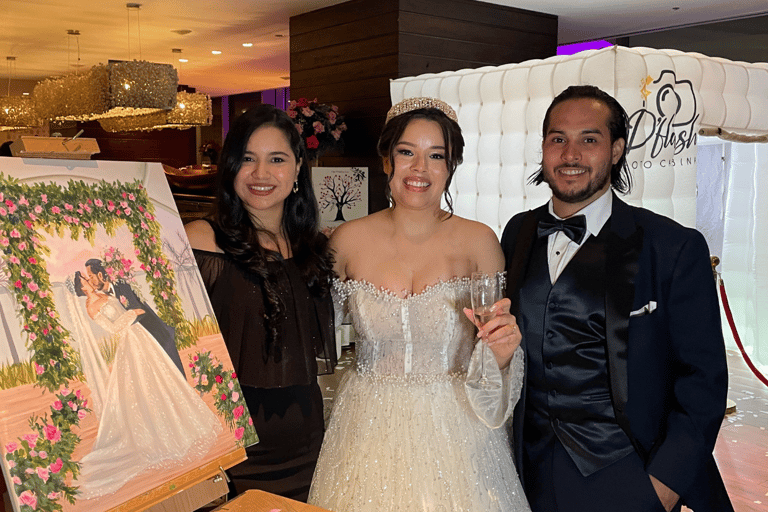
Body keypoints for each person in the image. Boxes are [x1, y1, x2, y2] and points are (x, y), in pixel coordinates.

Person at [500, 85, 733, 512]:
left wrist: (662, 487)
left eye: (589, 139)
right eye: (558, 139)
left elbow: (703, 381)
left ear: (616, 149)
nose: (570, 155)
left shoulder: (672, 246)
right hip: (525, 473)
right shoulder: (518, 233)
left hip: (626, 473)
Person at [307, 97, 530, 512]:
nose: (420, 169)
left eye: (436, 156)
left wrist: (500, 355)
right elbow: (314, 336)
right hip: (366, 424)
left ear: (451, 166)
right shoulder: (346, 241)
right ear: (387, 160)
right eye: (407, 152)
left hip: (459, 428)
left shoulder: (480, 241)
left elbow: (494, 347)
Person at [184, 104, 336, 502]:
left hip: (305, 442)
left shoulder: (313, 248)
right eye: (248, 159)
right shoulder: (199, 241)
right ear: (230, 166)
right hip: (227, 449)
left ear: (298, 168)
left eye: (277, 159)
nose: (261, 174)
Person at [71, 271, 221, 499]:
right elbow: (112, 328)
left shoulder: (105, 294)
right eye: (85, 280)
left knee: (160, 377)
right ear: (81, 288)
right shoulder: (91, 306)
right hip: (129, 339)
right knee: (142, 384)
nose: (89, 280)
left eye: (88, 277)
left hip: (140, 335)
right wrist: (132, 314)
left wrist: (132, 313)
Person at [84, 258, 184, 376]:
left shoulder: (121, 285)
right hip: (137, 341)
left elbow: (139, 311)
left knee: (174, 373)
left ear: (100, 275)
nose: (90, 280)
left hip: (155, 333)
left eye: (91, 276)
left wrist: (124, 321)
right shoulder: (103, 298)